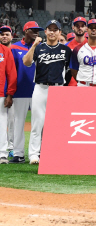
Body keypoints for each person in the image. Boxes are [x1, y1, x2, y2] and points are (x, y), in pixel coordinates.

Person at [21, 20, 71, 165]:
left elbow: (70, 71)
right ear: (46, 31)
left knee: (57, 124)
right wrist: (34, 45)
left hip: (58, 88)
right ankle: (34, 155)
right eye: (50, 29)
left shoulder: (66, 50)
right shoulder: (38, 47)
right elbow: (26, 62)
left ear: (60, 32)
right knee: (37, 123)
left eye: (55, 29)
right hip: (40, 88)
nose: (52, 32)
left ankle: (54, 153)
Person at [8, 21, 41, 164]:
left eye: (37, 30)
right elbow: (11, 70)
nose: (36, 32)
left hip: (38, 90)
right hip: (20, 90)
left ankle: (36, 153)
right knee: (18, 122)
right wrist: (10, 92)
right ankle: (18, 154)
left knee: (38, 123)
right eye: (33, 30)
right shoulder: (14, 47)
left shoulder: (41, 47)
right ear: (25, 31)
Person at [0, 38, 17, 165]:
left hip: (0, 93)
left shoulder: (5, 50)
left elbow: (11, 73)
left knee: (1, 125)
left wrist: (10, 93)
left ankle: (2, 154)